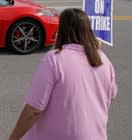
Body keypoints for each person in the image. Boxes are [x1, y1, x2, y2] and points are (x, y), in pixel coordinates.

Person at [8, 8, 117, 140]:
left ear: (62, 30)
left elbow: (34, 110)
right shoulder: (104, 60)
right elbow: (110, 95)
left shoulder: (54, 59)